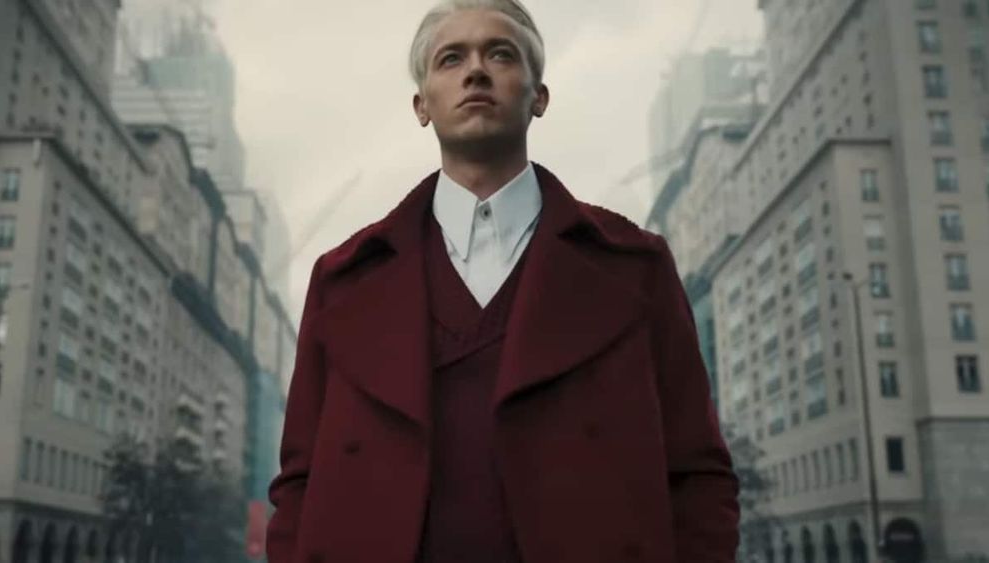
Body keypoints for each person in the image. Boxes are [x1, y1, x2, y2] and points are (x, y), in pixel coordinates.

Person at [266, 1, 740, 561]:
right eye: (450, 58)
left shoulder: (635, 267)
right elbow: (298, 484)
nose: (475, 70)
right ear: (422, 105)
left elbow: (697, 473)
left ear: (538, 96)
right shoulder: (342, 279)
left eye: (500, 53)